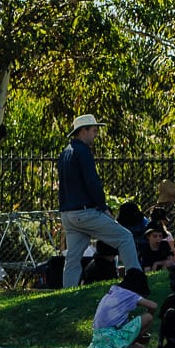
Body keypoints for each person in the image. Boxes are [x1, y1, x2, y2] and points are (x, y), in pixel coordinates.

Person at [57, 113, 139, 286]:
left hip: (68, 214)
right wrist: (103, 206)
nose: (96, 134)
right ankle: (136, 280)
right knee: (125, 237)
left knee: (73, 257)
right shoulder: (83, 151)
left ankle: (66, 294)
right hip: (85, 211)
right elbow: (92, 181)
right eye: (94, 130)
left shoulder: (65, 153)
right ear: (83, 131)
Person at [86, 269, 155, 348]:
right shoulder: (130, 294)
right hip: (112, 337)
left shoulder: (114, 290)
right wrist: (142, 330)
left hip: (99, 340)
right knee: (148, 317)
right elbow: (153, 306)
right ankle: (131, 342)